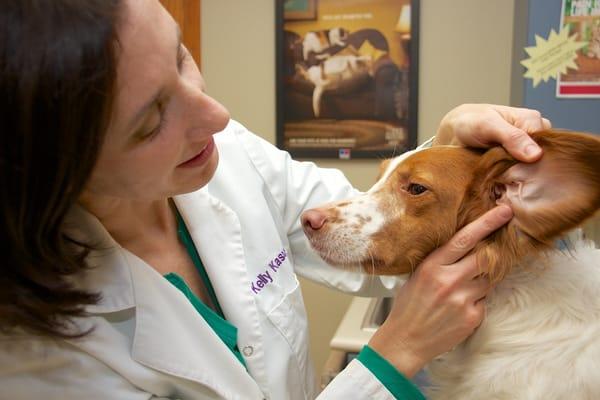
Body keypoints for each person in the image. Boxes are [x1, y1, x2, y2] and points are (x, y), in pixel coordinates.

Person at [0, 1, 551, 399]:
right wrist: (393, 357)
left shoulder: (224, 154)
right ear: (56, 176)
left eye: (180, 56)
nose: (216, 115)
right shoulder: (33, 360)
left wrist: (451, 147)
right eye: (149, 123)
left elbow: (365, 230)